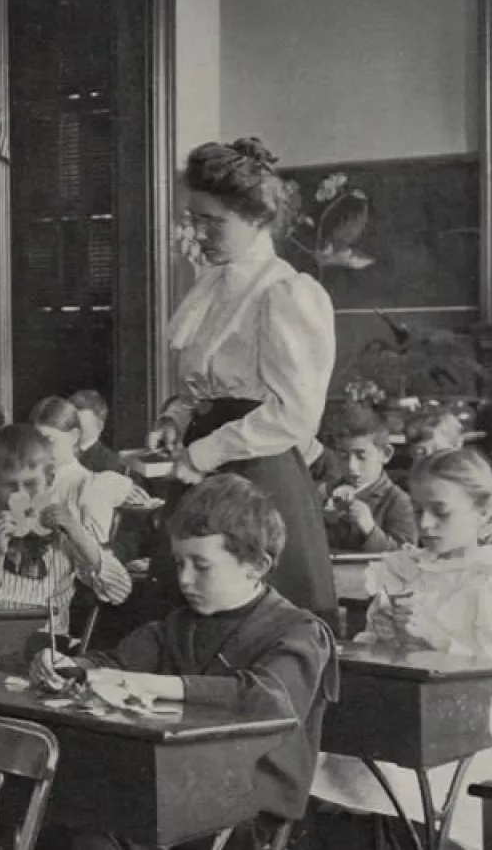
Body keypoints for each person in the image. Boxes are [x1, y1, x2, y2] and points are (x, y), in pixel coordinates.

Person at [30, 475, 337, 850]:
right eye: (179, 563)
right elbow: (113, 663)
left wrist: (150, 684)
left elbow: (270, 699)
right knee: (66, 823)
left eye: (201, 566)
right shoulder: (178, 625)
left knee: (95, 833)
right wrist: (67, 666)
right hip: (177, 795)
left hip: (247, 811)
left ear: (256, 565)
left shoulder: (299, 631)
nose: (185, 579)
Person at [310, 448, 492, 849]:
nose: (426, 524)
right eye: (418, 511)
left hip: (477, 727)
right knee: (341, 762)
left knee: (383, 779)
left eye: (441, 512)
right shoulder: (408, 569)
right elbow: (376, 652)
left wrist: (432, 640)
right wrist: (382, 636)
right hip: (409, 714)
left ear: (484, 512)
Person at [148, 137, 337, 625]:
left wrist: (203, 453)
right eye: (195, 218)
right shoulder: (211, 286)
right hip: (201, 466)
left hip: (257, 474)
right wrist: (177, 417)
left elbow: (294, 415)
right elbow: (206, 385)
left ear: (256, 219)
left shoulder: (285, 292)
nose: (200, 232)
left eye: (214, 222)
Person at [0, 425, 130, 617]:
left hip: (50, 641)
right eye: (9, 486)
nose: (21, 494)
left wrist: (78, 534)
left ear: (49, 480)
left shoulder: (63, 537)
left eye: (31, 484)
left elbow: (119, 592)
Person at [318, 402, 417, 555]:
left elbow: (406, 560)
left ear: (386, 454)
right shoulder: (324, 493)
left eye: (361, 457)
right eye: (343, 456)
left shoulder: (399, 503)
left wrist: (370, 529)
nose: (351, 466)